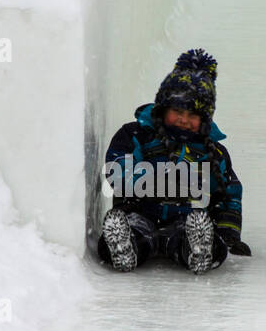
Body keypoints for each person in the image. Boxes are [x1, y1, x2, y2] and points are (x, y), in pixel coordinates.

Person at [98, 48, 250, 273]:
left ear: (205, 120)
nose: (184, 120)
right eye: (177, 111)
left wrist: (228, 233)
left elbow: (228, 194)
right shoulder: (137, 135)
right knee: (136, 231)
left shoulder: (212, 152)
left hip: (186, 219)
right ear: (163, 108)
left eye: (193, 116)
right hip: (139, 211)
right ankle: (124, 246)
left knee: (196, 240)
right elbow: (116, 168)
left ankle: (197, 249)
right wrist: (155, 178)